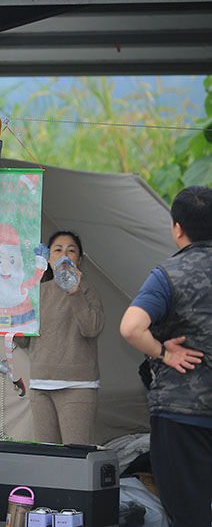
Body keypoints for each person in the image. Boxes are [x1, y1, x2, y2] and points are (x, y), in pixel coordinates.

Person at [119, 185, 211, 527]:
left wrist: (164, 353)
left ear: (177, 228)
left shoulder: (168, 276)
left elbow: (131, 327)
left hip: (182, 415)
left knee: (188, 514)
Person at [15, 231, 105, 444]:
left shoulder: (88, 291)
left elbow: (91, 329)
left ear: (80, 259)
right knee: (48, 457)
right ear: (48, 258)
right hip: (40, 384)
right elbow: (22, 340)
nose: (64, 254)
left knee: (76, 456)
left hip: (78, 386)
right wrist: (13, 311)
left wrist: (74, 292)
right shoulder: (36, 292)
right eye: (58, 250)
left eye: (71, 250)